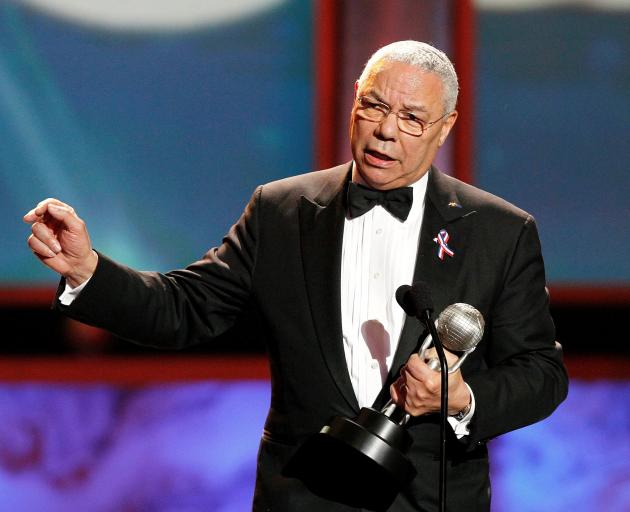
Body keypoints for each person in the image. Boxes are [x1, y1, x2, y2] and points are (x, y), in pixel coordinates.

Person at [24, 41, 568, 511]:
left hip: (430, 501)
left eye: (411, 119)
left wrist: (459, 397)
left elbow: (542, 373)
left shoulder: (499, 231)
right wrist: (86, 270)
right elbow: (185, 309)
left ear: (445, 126)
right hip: (305, 498)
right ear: (354, 99)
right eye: (373, 105)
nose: (384, 131)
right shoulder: (282, 210)